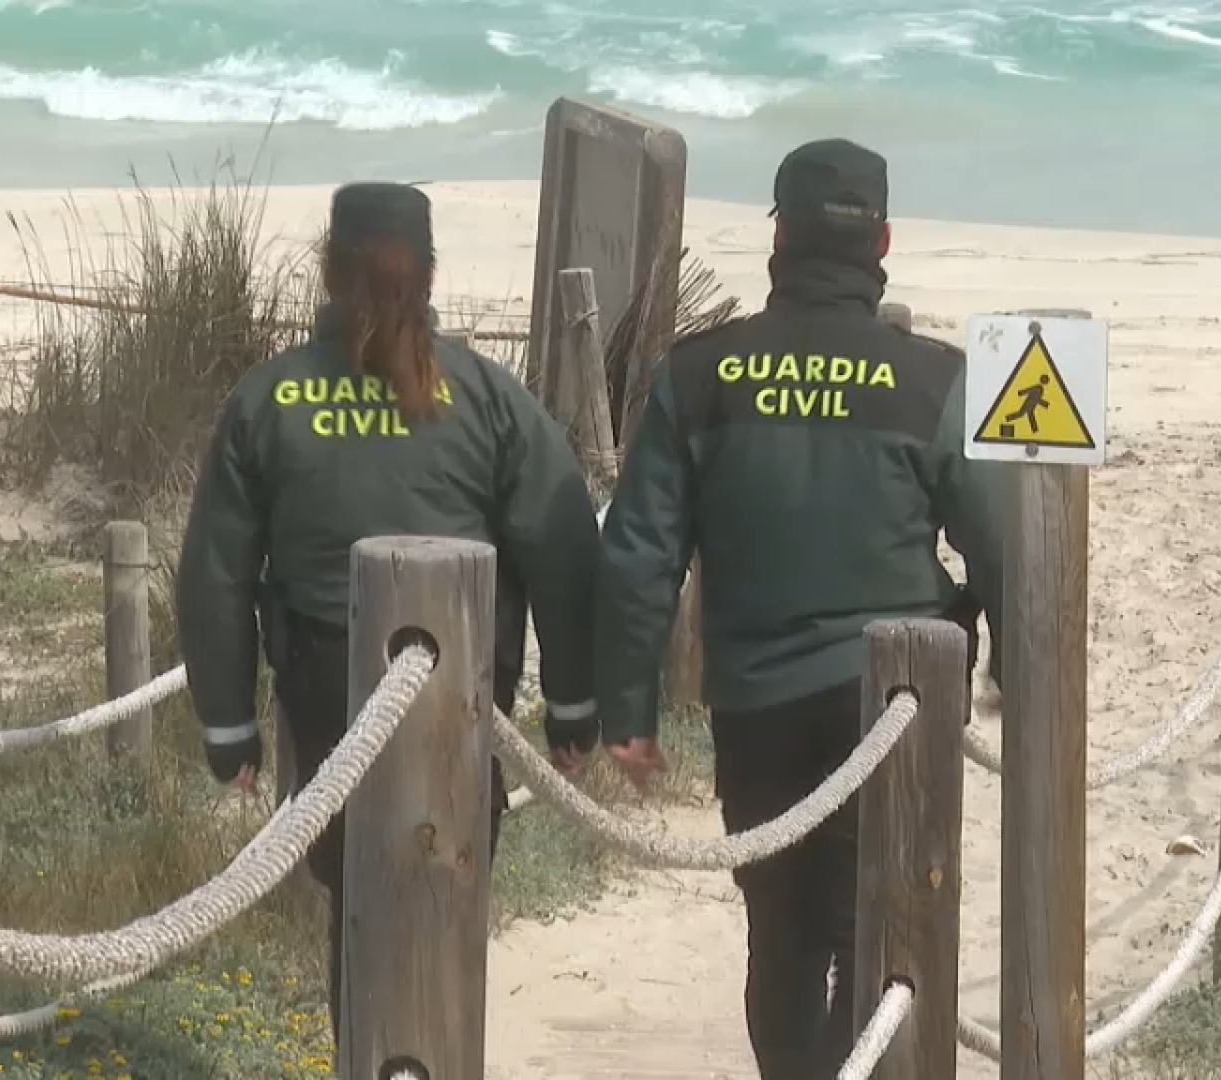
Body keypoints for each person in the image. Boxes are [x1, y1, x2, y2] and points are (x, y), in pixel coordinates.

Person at [592, 138, 1008, 1080]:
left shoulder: (699, 376)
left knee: (779, 930)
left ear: (778, 238)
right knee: (882, 922)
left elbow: (639, 553)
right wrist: (1012, 675)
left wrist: (628, 710)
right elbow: (1003, 544)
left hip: (758, 706)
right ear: (884, 240)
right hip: (897, 707)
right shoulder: (935, 381)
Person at [173, 181, 601, 1048]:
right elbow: (563, 545)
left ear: (329, 271)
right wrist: (576, 705)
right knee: (446, 891)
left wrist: (227, 726)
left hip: (328, 703)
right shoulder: (488, 397)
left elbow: (216, 570)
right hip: (464, 699)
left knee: (359, 904)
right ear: (432, 274)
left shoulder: (269, 398)